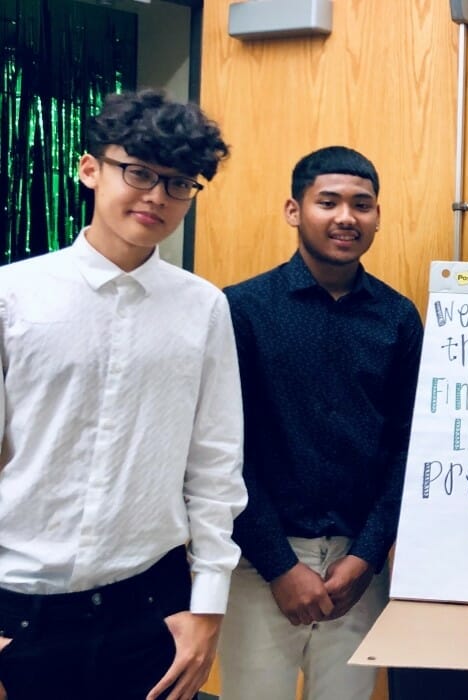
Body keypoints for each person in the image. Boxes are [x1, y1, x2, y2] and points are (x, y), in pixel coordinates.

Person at [0, 89, 245, 699]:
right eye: (138, 172)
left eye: (179, 183)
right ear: (89, 168)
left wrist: (208, 606)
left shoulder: (204, 308)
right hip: (17, 609)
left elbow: (215, 465)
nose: (157, 196)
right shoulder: (13, 296)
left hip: (149, 608)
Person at [219, 146, 423, 699]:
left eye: (362, 205)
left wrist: (366, 556)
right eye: (328, 202)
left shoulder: (398, 316)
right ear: (294, 209)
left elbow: (410, 446)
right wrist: (280, 566)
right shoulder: (240, 310)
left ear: (377, 216)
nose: (346, 218)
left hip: (359, 569)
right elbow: (222, 452)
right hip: (259, 563)